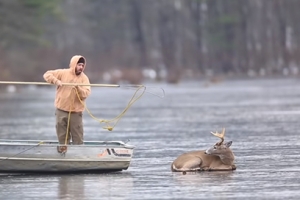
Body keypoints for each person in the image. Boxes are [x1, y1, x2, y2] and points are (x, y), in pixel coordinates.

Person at [43, 55, 91, 145]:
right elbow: (47, 75)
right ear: (74, 64)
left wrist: (78, 88)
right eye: (79, 65)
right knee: (62, 137)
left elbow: (86, 93)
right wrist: (56, 81)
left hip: (76, 112)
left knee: (78, 138)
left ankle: (78, 155)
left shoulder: (84, 78)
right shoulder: (63, 73)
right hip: (61, 110)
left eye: (82, 65)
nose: (81, 67)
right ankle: (63, 153)